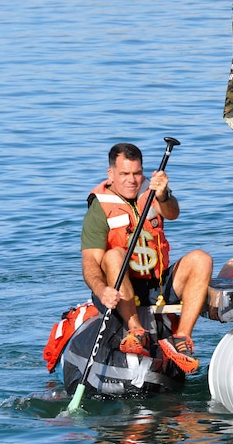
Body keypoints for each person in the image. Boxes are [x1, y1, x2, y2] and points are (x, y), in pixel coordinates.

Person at [81, 142, 213, 373]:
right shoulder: (100, 207)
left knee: (201, 259)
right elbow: (90, 261)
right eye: (124, 174)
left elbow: (173, 214)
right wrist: (102, 290)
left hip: (158, 284)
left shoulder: (152, 191)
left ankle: (181, 338)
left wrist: (163, 196)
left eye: (137, 173)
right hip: (122, 287)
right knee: (113, 255)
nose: (131, 180)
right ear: (111, 174)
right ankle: (136, 331)